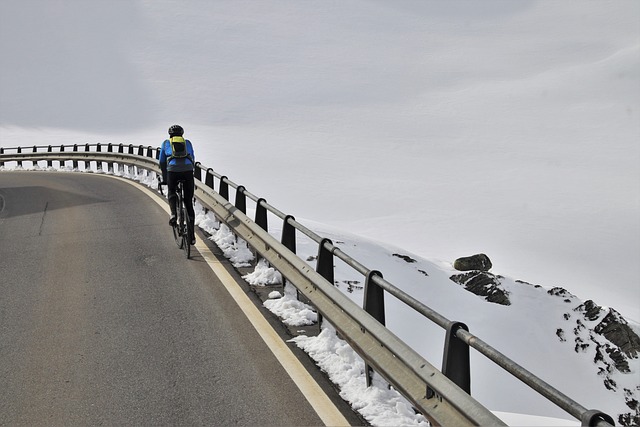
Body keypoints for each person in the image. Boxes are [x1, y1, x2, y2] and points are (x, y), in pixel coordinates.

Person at [159, 124, 196, 244]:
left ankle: (174, 214)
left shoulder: (165, 143)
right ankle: (192, 236)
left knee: (171, 191)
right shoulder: (188, 143)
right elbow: (193, 158)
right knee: (188, 202)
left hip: (173, 171)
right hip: (187, 171)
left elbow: (162, 162)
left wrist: (165, 178)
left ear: (170, 135)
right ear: (182, 134)